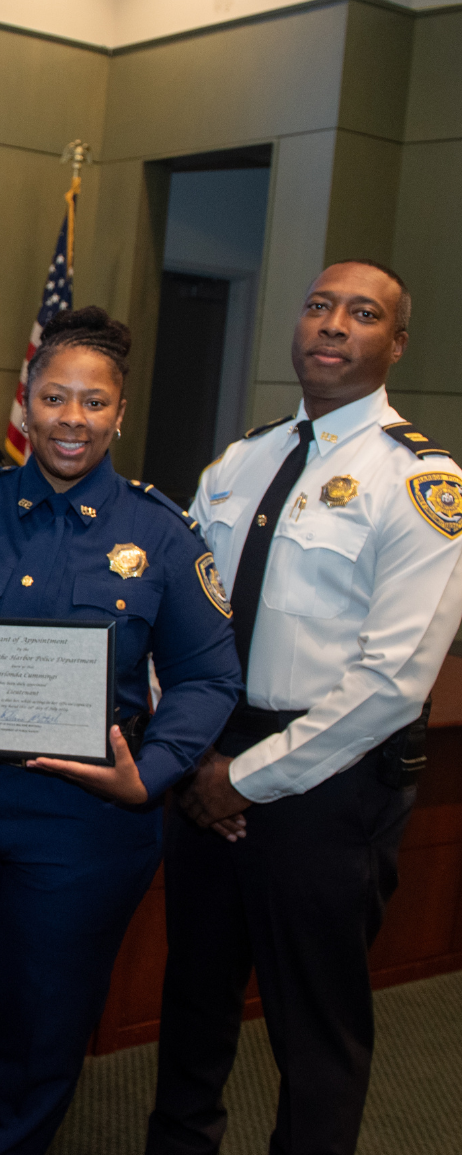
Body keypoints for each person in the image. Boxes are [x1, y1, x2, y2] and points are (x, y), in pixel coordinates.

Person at [0, 307, 241, 1155]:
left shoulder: (161, 533)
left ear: (119, 414)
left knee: (47, 1012)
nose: (72, 420)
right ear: (29, 401)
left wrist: (152, 772)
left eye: (93, 402)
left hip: (88, 823)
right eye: (55, 398)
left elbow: (209, 675)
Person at [146, 261, 462, 1155]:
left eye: (361, 314)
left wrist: (244, 780)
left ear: (395, 345)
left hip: (331, 779)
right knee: (194, 1005)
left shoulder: (422, 483)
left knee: (314, 1032)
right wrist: (191, 751)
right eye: (319, 305)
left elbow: (394, 680)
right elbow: (182, 617)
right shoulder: (241, 460)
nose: (331, 325)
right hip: (209, 757)